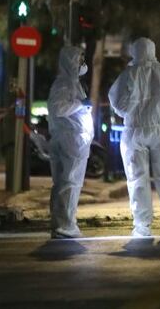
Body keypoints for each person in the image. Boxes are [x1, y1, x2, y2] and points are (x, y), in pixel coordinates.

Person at [108, 38, 160, 237]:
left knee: (137, 179)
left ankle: (142, 225)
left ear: (134, 52)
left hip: (134, 132)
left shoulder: (128, 74)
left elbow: (119, 106)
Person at [47, 46, 94, 239]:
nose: (83, 64)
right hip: (72, 139)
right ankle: (64, 225)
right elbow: (58, 108)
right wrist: (81, 105)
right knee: (70, 182)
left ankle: (62, 223)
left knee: (64, 182)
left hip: (72, 138)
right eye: (80, 60)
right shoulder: (65, 84)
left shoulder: (71, 83)